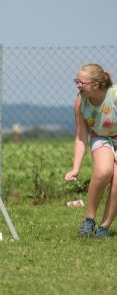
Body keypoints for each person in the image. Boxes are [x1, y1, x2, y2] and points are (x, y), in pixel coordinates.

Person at [65, 63, 117, 238]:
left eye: (82, 83)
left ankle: (104, 228)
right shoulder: (80, 101)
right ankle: (89, 219)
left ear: (95, 84)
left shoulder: (114, 96)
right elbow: (81, 136)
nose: (78, 86)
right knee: (103, 172)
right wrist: (75, 168)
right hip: (101, 137)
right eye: (76, 81)